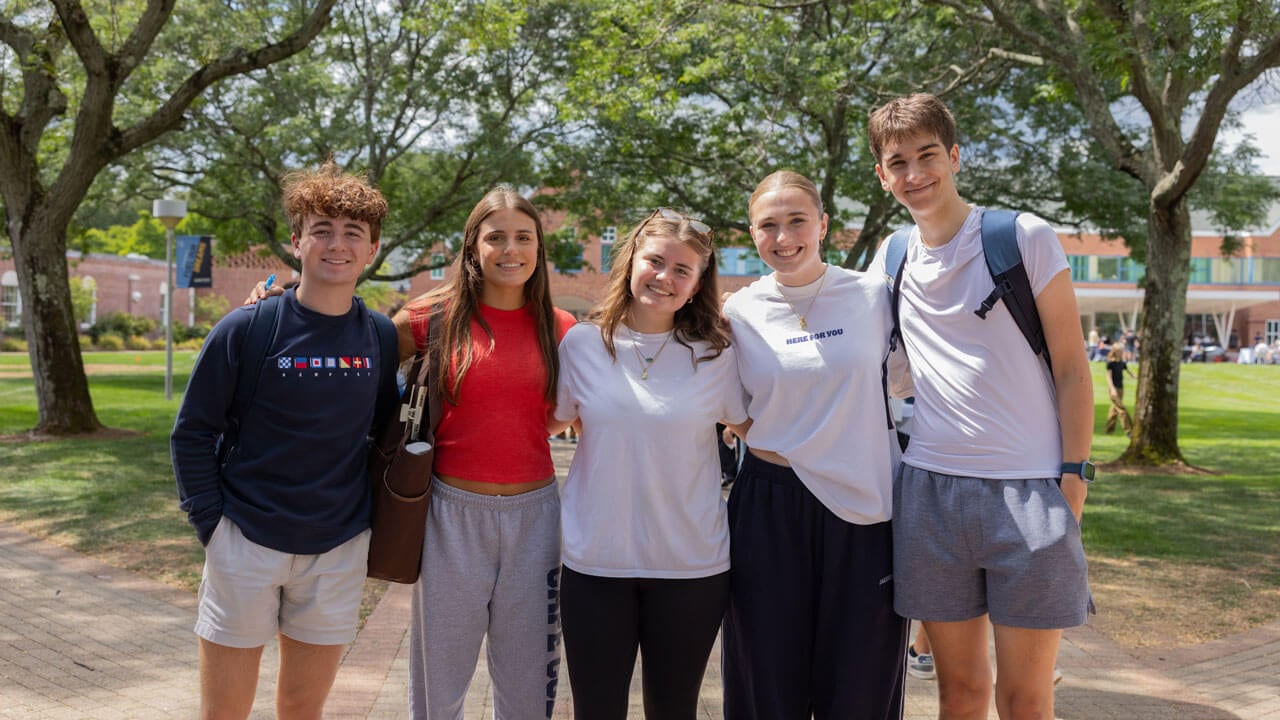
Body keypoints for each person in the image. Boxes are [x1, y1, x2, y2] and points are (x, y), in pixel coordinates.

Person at [245, 186, 575, 719]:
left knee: (528, 685)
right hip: (450, 513)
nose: (510, 250)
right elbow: (347, 342)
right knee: (438, 684)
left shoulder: (560, 328)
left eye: (523, 237)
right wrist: (277, 307)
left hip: (536, 519)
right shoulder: (432, 316)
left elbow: (581, 412)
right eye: (495, 237)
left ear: (539, 247)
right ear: (473, 247)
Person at [868, 93, 1093, 720]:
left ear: (955, 157)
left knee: (1025, 699)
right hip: (930, 494)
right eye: (898, 163)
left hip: (1031, 490)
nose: (915, 174)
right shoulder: (891, 256)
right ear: (882, 176)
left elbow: (1073, 368)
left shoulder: (1021, 237)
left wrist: (1074, 479)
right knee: (960, 695)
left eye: (928, 155)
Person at [171, 161, 392, 719]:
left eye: (353, 233)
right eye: (322, 230)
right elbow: (192, 431)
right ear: (296, 241)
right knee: (224, 711)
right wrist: (213, 527)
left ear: (372, 250)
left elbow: (383, 431)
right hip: (245, 540)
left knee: (301, 708)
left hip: (337, 549)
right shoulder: (246, 327)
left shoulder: (381, 336)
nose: (337, 244)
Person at [721, 170, 908, 719]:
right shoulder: (739, 311)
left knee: (860, 684)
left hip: (863, 507)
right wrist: (791, 444)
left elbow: (910, 378)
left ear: (823, 225)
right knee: (765, 680)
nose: (783, 238)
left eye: (797, 221)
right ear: (752, 235)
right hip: (769, 505)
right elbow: (730, 408)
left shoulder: (873, 295)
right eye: (768, 226)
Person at [550, 207, 747, 719]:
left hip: (691, 566)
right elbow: (545, 424)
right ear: (631, 261)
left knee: (674, 709)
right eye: (655, 261)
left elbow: (762, 432)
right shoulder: (583, 344)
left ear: (697, 284)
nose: (664, 277)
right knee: (595, 710)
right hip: (595, 562)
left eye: (682, 270)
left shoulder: (716, 353)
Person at [1104, 344, 1136, 435]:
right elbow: (1108, 377)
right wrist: (1112, 389)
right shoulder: (1111, 363)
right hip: (1113, 390)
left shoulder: (1122, 363)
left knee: (1114, 410)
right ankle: (1129, 431)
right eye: (1120, 351)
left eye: (1122, 351)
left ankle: (1109, 430)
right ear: (1115, 351)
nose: (1122, 353)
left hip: (1121, 389)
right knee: (1122, 410)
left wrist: (1136, 377)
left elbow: (1130, 372)